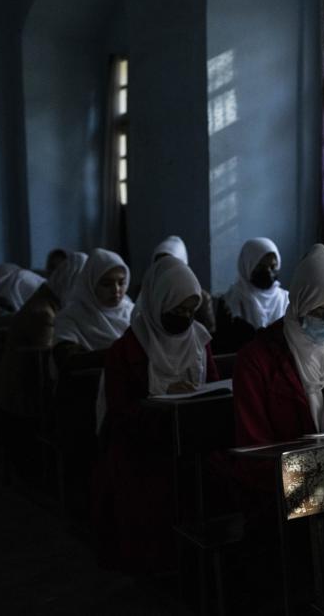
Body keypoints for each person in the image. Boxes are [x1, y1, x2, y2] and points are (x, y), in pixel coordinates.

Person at [94, 256, 219, 573]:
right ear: (159, 301)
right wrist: (162, 399)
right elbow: (120, 411)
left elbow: (217, 388)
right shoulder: (128, 349)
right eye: (177, 310)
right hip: (141, 445)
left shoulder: (199, 339)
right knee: (151, 496)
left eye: (191, 310)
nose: (186, 318)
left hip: (191, 439)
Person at [233, 243, 324, 448]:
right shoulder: (258, 359)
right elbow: (254, 445)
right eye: (320, 313)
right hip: (277, 475)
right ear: (300, 304)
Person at [0, 275, 63, 485]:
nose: (116, 290)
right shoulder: (42, 312)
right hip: (21, 393)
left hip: (24, 388)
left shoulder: (50, 305)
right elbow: (47, 360)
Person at [52, 248, 133, 371]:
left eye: (121, 283)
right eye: (107, 284)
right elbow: (66, 358)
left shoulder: (132, 312)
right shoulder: (71, 316)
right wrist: (118, 355)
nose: (116, 290)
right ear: (91, 284)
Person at [214, 237, 288, 354]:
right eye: (261, 267)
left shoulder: (285, 299)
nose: (268, 272)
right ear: (247, 266)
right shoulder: (231, 302)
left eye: (272, 267)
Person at [150, 235, 215, 333]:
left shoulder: (199, 300)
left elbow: (208, 335)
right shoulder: (146, 296)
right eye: (159, 264)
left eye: (170, 264)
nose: (164, 270)